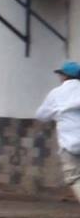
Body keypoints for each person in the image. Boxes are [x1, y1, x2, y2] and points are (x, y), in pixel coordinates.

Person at [36, 61, 80, 203]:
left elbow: (41, 115)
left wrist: (57, 114)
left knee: (75, 178)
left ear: (64, 76)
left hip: (70, 143)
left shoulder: (56, 93)